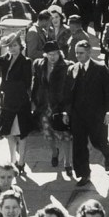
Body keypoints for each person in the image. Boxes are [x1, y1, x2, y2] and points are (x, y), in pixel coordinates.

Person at [67, 40, 109, 185]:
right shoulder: (73, 69)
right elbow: (68, 92)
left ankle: (107, 153)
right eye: (76, 53)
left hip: (97, 114)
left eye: (81, 53)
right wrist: (66, 112)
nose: (78, 56)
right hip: (78, 115)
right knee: (79, 145)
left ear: (89, 52)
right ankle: (84, 174)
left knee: (98, 141)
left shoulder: (101, 68)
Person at [30, 38, 73, 173]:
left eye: (55, 54)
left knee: (65, 135)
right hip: (44, 105)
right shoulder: (39, 64)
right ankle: (54, 152)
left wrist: (68, 109)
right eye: (49, 54)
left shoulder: (67, 65)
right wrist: (33, 101)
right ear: (45, 55)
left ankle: (67, 163)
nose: (52, 57)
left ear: (60, 53)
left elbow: (71, 88)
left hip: (60, 106)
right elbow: (35, 84)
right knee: (48, 134)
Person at [0, 34, 33, 173]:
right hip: (6, 101)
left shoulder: (26, 61)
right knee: (8, 132)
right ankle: (13, 160)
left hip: (20, 101)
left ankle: (21, 161)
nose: (12, 48)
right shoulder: (6, 58)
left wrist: (12, 88)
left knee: (21, 133)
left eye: (15, 45)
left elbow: (27, 82)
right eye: (10, 46)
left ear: (21, 46)